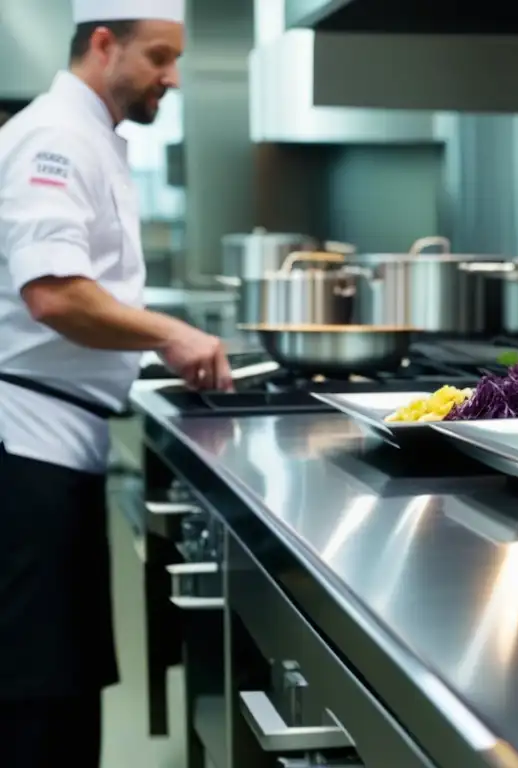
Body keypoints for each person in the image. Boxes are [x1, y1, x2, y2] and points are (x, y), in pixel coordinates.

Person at [0, 0, 233, 763]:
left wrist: (149, 331)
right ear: (104, 44)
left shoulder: (90, 136)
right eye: (159, 57)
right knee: (37, 700)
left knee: (63, 685)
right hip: (25, 460)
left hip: (58, 451)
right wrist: (172, 333)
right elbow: (55, 292)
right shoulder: (56, 137)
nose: (171, 77)